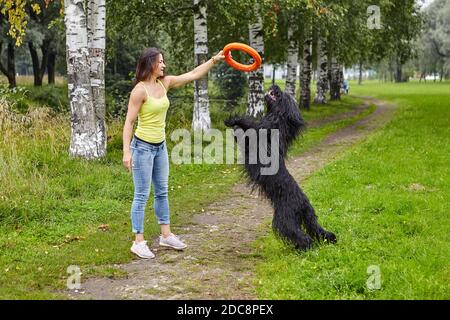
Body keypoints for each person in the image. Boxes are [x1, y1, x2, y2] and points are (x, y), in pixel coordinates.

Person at [123, 47, 225, 259]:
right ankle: (138, 241)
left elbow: (193, 74)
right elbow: (129, 122)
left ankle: (165, 235)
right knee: (141, 195)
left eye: (163, 62)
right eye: (160, 62)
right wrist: (126, 151)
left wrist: (214, 60)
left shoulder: (165, 83)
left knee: (162, 191)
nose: (164, 65)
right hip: (142, 148)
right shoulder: (139, 91)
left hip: (160, 147)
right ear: (151, 64)